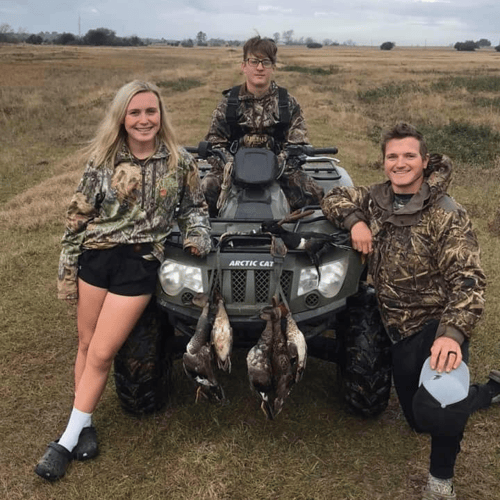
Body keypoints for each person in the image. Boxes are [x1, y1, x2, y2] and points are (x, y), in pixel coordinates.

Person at [35, 80, 211, 481]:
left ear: (161, 115)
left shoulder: (180, 163)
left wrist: (198, 234)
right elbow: (77, 220)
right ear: (122, 118)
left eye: (151, 111)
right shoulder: (103, 161)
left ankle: (62, 442)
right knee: (85, 344)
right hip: (96, 261)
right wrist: (67, 274)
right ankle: (85, 426)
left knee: (100, 354)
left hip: (139, 264)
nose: (144, 120)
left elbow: (194, 209)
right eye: (135, 113)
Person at [321, 122, 500, 500]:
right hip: (394, 326)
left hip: (434, 325)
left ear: (424, 160)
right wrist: (356, 221)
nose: (400, 163)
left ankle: (440, 483)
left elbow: (468, 280)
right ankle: (482, 392)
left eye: (408, 156)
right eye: (392, 156)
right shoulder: (375, 199)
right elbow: (335, 196)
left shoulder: (446, 213)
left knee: (441, 408)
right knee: (418, 420)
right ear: (384, 161)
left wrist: (451, 336)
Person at [202, 35, 324, 217]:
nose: (260, 67)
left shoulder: (287, 103)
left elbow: (297, 143)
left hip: (279, 170)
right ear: (244, 66)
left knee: (314, 195)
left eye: (266, 62)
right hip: (233, 171)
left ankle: (295, 234)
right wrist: (232, 165)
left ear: (273, 67)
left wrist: (277, 164)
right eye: (254, 61)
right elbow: (214, 141)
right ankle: (209, 237)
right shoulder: (228, 103)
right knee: (202, 192)